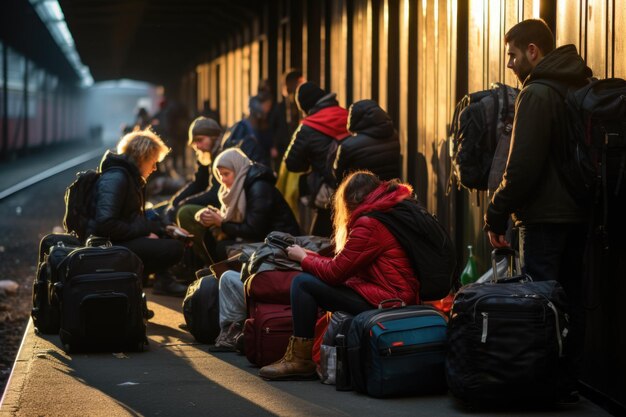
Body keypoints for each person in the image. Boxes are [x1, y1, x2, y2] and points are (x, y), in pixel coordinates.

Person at [483, 18, 592, 402]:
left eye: (512, 55)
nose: (509, 64)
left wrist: (495, 212)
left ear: (533, 51)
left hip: (543, 220)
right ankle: (567, 384)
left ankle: (538, 384)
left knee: (539, 304)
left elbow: (522, 169)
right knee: (572, 302)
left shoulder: (537, 94)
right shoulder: (579, 86)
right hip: (580, 215)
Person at [259, 171, 420, 380]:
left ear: (349, 201)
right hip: (392, 294)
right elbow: (346, 266)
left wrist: (303, 259)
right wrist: (315, 258)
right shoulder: (387, 211)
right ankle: (301, 356)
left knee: (303, 284)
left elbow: (335, 274)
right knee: (311, 279)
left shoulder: (369, 223)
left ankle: (300, 360)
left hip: (388, 300)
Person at [86, 129, 188, 296]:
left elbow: (133, 216)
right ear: (142, 158)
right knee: (174, 248)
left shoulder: (129, 176)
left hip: (116, 239)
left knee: (168, 236)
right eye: (154, 162)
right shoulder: (117, 178)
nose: (155, 168)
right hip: (105, 246)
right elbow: (105, 224)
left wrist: (163, 227)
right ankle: (137, 282)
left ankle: (160, 281)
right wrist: (144, 233)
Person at [178, 147, 300, 263]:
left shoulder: (259, 187)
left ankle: (225, 277)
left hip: (278, 243)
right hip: (260, 237)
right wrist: (217, 216)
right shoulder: (236, 187)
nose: (223, 180)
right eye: (220, 175)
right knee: (209, 236)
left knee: (222, 247)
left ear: (238, 169)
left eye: (226, 174)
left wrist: (221, 222)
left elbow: (254, 229)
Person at [283, 82, 350, 237]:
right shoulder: (347, 115)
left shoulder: (308, 127)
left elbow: (291, 163)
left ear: (305, 107)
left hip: (329, 192)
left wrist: (309, 162)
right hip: (358, 187)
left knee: (320, 241)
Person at [333, 99, 401, 184]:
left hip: (361, 194)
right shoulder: (393, 135)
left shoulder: (348, 145)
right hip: (389, 190)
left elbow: (338, 175)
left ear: (354, 118)